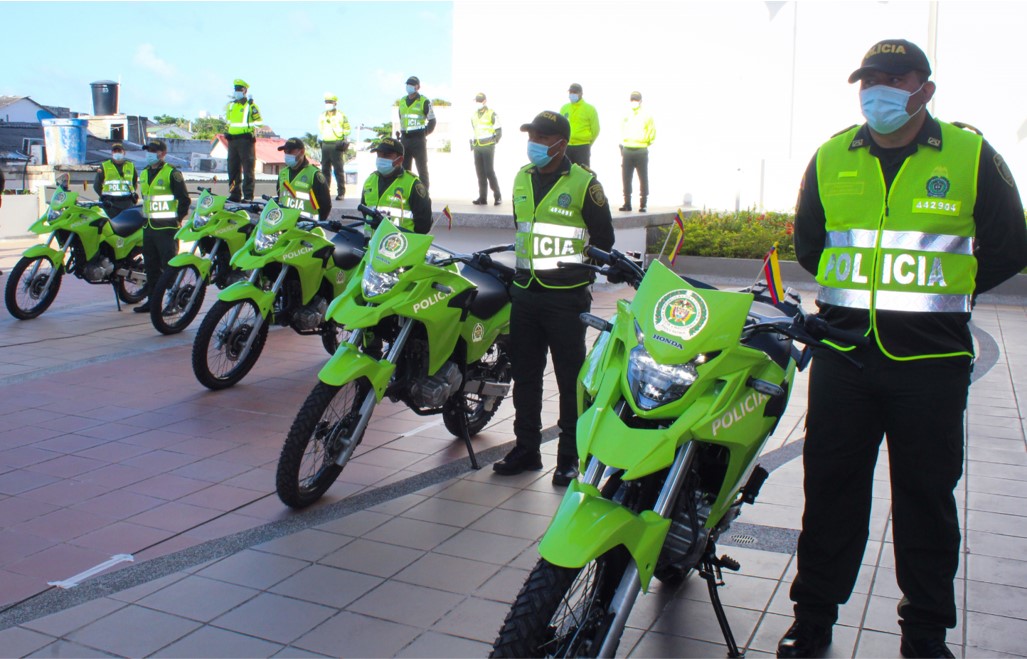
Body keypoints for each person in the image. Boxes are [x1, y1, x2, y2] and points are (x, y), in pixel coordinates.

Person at [778, 39, 1027, 659]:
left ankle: (924, 632)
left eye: (894, 78)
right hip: (844, 359)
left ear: (925, 89)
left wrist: (949, 290)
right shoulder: (832, 155)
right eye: (869, 79)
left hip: (931, 365)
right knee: (830, 493)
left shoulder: (971, 154)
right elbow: (812, 244)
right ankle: (812, 620)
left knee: (925, 500)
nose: (877, 90)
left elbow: (1009, 244)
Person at [492, 110, 615, 487]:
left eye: (543, 139)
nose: (536, 144)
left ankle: (568, 458)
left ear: (561, 143)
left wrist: (575, 269)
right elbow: (522, 227)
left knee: (569, 381)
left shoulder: (584, 183)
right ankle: (526, 449)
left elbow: (604, 239)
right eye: (532, 136)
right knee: (526, 377)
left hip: (566, 299)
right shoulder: (521, 177)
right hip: (526, 294)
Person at [135, 140, 191, 313]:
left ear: (162, 154)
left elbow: (184, 200)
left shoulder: (172, 173)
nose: (149, 154)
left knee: (169, 268)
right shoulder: (144, 173)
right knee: (151, 267)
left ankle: (174, 303)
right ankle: (152, 302)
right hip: (149, 228)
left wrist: (176, 221)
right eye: (148, 151)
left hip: (166, 229)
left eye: (153, 151)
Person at [359, 137, 431, 234]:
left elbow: (424, 224)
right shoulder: (369, 181)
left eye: (386, 155)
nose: (381, 159)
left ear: (400, 159)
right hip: (371, 245)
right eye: (379, 155)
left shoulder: (412, 184)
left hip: (400, 246)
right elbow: (365, 212)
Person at [224, 78, 263, 202]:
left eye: (239, 89)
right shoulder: (230, 106)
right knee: (232, 169)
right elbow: (229, 123)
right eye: (235, 89)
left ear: (245, 90)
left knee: (248, 170)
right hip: (232, 141)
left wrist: (251, 128)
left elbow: (259, 123)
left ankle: (248, 196)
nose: (237, 92)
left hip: (246, 141)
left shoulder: (251, 106)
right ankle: (234, 194)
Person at [277, 137, 332, 222]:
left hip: (307, 225)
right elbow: (280, 196)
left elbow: (325, 204)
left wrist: (318, 222)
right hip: (285, 223)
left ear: (302, 152)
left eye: (290, 152)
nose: (287, 155)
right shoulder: (282, 173)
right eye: (285, 152)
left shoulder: (314, 174)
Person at [396, 76, 436, 190]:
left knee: (422, 169)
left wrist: (424, 133)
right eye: (408, 84)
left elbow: (432, 120)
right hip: (405, 139)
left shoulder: (424, 101)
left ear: (417, 87)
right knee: (404, 169)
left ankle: (424, 195)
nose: (409, 86)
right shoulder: (402, 101)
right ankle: (405, 194)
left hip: (418, 140)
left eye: (412, 84)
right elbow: (401, 118)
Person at [619, 91, 656, 212]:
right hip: (628, 149)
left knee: (643, 177)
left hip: (641, 150)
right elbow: (622, 130)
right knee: (626, 177)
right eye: (632, 99)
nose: (634, 102)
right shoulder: (626, 114)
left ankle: (643, 203)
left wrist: (644, 142)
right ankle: (627, 203)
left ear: (640, 101)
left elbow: (652, 133)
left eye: (636, 99)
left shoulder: (647, 116)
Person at [470, 92, 502, 206]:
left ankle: (497, 196)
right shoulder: (473, 115)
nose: (478, 103)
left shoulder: (491, 113)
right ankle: (482, 198)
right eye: (477, 101)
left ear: (484, 101)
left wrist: (494, 141)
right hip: (477, 146)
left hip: (488, 146)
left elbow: (498, 130)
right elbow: (474, 130)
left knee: (489, 171)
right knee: (480, 173)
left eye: (480, 100)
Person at [92, 143, 138, 218]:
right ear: (112, 153)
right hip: (111, 205)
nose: (117, 153)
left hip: (127, 204)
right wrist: (104, 198)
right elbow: (96, 185)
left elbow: (134, 183)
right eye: (115, 151)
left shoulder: (130, 165)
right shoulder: (105, 166)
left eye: (119, 151)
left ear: (124, 152)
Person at [319, 93, 351, 201]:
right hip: (325, 143)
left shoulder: (341, 115)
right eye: (326, 102)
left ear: (335, 103)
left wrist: (344, 140)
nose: (328, 104)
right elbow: (320, 129)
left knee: (338, 170)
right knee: (325, 170)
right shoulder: (322, 115)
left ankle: (341, 193)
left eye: (330, 102)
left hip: (336, 144)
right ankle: (325, 191)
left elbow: (347, 129)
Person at [559, 83, 600, 167]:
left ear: (581, 93)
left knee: (582, 173)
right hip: (567, 146)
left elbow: (596, 130)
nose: (572, 94)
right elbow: (560, 127)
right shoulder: (564, 108)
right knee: (564, 172)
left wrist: (587, 142)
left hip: (582, 147)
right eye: (571, 92)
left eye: (575, 92)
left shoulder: (590, 109)